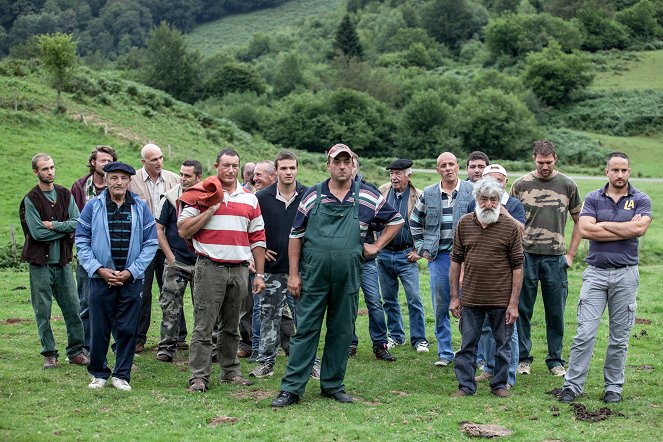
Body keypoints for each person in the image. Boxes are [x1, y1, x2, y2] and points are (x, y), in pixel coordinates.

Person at [271, 144, 403, 407]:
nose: (342, 166)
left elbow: (397, 220)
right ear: (328, 165)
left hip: (348, 276)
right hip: (313, 276)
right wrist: (294, 275)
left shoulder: (367, 195)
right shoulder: (312, 195)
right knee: (306, 330)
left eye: (347, 161)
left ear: (353, 165)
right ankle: (292, 388)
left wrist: (376, 246)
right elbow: (295, 236)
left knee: (342, 332)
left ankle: (332, 385)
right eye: (337, 162)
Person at [559, 152, 651, 404]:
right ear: (606, 172)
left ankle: (613, 388)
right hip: (595, 275)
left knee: (619, 337)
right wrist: (624, 229)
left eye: (624, 170)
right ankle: (572, 386)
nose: (619, 175)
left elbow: (640, 229)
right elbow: (586, 229)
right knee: (584, 333)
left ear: (629, 172)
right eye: (615, 170)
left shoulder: (641, 198)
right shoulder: (592, 198)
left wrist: (604, 225)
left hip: (626, 275)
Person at [178, 148, 266, 392]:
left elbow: (258, 237)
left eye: (234, 166)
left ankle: (230, 371)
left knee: (231, 325)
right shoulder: (202, 193)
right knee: (204, 325)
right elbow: (184, 229)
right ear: (216, 165)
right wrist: (210, 210)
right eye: (226, 165)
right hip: (210, 267)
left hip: (239, 269)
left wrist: (259, 274)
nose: (230, 170)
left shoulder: (249, 198)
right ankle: (199, 376)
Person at [76, 161, 158, 391]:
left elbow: (151, 243)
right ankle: (99, 373)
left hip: (131, 279)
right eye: (114, 178)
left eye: (123, 178)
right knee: (99, 328)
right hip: (100, 278)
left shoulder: (140, 207)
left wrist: (131, 272)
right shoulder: (93, 206)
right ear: (106, 180)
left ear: (129, 181)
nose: (119, 182)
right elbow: (81, 241)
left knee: (128, 329)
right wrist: (99, 270)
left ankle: (122, 375)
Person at [510, 140, 582, 377]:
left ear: (556, 159)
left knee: (556, 312)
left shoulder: (568, 185)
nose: (545, 167)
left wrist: (570, 254)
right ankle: (523, 359)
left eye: (549, 163)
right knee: (522, 309)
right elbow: (509, 221)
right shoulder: (520, 185)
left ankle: (555, 360)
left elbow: (579, 221)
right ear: (534, 159)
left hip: (555, 258)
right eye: (541, 163)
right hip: (525, 257)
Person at [449, 178, 524, 398]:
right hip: (471, 298)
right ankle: (465, 386)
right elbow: (455, 260)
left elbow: (518, 267)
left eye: (494, 199)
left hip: (501, 299)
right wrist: (455, 297)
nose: (489, 204)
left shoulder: (510, 227)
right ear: (476, 200)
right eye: (484, 199)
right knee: (467, 345)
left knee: (503, 345)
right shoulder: (464, 223)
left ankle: (500, 385)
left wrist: (513, 303)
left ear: (500, 201)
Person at [20, 154, 88, 369]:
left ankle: (76, 350)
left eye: (51, 167)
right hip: (40, 265)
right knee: (43, 311)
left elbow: (78, 223)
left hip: (64, 263)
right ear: (36, 172)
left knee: (73, 308)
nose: (50, 172)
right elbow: (37, 234)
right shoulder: (31, 199)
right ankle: (49, 353)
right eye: (44, 169)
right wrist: (63, 228)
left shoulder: (65, 194)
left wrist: (54, 225)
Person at [410, 152, 473, 367]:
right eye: (443, 165)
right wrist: (421, 248)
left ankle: (468, 352)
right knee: (441, 305)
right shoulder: (428, 193)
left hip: (466, 259)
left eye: (451, 164)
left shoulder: (470, 191)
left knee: (468, 305)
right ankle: (445, 353)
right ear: (438, 170)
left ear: (458, 167)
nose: (448, 168)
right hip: (439, 257)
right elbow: (414, 222)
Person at [250, 151, 307, 378]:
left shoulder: (307, 195)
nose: (288, 172)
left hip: (300, 270)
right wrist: (256, 254)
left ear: (297, 169)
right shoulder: (261, 197)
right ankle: (266, 363)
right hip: (272, 270)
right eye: (283, 168)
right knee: (268, 317)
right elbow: (250, 229)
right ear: (276, 172)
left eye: (292, 168)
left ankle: (309, 361)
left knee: (304, 318)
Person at [468, 165, 525, 389]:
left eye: (499, 181)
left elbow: (522, 231)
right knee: (484, 329)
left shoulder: (514, 205)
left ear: (505, 182)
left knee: (507, 331)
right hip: (480, 282)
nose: (495, 185)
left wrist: (503, 211)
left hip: (506, 279)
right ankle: (490, 368)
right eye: (490, 180)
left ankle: (508, 376)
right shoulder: (477, 205)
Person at [128, 143, 180, 353]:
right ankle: (139, 337)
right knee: (143, 291)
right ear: (143, 162)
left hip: (168, 243)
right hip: (144, 245)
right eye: (153, 159)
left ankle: (178, 336)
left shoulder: (174, 179)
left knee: (174, 289)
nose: (159, 162)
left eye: (160, 158)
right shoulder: (132, 181)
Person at [377, 159, 429, 353]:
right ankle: (396, 336)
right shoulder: (382, 192)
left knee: (414, 299)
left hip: (407, 255)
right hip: (384, 255)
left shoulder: (419, 196)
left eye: (398, 173)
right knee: (389, 299)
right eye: (391, 173)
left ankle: (419, 340)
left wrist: (420, 251)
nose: (393, 177)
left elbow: (429, 225)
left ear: (409, 175)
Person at [348, 155, 396, 362]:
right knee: (347, 303)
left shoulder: (369, 190)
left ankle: (380, 345)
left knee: (374, 302)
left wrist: (373, 239)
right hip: (344, 259)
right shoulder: (331, 191)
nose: (347, 168)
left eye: (351, 163)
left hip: (366, 258)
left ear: (356, 166)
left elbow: (385, 219)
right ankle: (349, 343)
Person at [155, 160, 203, 363]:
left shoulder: (206, 198)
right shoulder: (171, 197)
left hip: (202, 261)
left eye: (188, 176)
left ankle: (206, 347)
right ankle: (167, 347)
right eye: (181, 174)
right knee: (170, 305)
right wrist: (170, 257)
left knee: (204, 307)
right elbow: (158, 230)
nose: (183, 179)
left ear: (198, 177)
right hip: (178, 260)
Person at [71, 145, 117, 352]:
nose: (106, 164)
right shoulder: (79, 187)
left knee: (117, 301)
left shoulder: (118, 186)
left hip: (114, 253)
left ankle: (120, 346)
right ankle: (87, 347)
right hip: (86, 253)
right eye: (102, 161)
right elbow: (74, 220)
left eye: (110, 161)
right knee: (87, 302)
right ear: (93, 163)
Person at [238, 159, 276, 361]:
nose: (254, 178)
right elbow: (246, 230)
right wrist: (257, 252)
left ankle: (275, 344)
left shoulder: (280, 197)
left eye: (259, 175)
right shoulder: (252, 198)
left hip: (280, 261)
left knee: (277, 307)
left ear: (273, 176)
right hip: (252, 259)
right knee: (252, 305)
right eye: (254, 175)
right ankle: (253, 346)